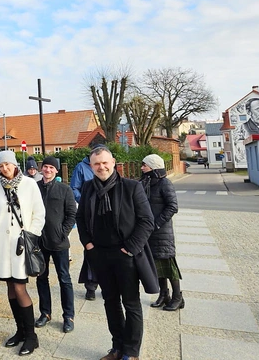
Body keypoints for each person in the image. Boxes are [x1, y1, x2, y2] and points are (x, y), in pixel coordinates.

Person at [75, 147, 156, 360]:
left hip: (126, 255)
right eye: (96, 164)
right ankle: (117, 347)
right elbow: (81, 218)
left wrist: (130, 248)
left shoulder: (131, 187)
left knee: (131, 303)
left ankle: (131, 352)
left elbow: (147, 221)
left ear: (113, 162)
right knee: (110, 302)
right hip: (100, 255)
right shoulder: (88, 187)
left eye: (104, 162)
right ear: (91, 166)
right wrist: (88, 244)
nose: (101, 167)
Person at [0, 150, 45, 356]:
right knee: (10, 287)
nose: (4, 169)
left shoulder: (29, 185)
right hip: (0, 246)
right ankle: (20, 331)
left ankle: (31, 336)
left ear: (15, 164)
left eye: (7, 165)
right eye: (0, 166)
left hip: (20, 245)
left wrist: (31, 235)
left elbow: (39, 214)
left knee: (19, 288)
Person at [35, 156, 77, 333]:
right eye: (45, 167)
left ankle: (68, 316)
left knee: (64, 279)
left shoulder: (64, 189)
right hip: (39, 241)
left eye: (52, 167)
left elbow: (71, 214)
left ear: (57, 170)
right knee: (41, 278)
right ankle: (45, 313)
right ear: (41, 169)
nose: (48, 170)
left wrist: (63, 232)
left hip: (59, 242)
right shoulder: (35, 188)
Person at [141, 154, 184, 312]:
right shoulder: (146, 183)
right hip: (150, 232)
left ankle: (177, 297)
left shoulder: (165, 183)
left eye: (145, 165)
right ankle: (164, 295)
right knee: (156, 265)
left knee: (168, 264)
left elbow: (173, 206)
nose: (142, 168)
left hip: (162, 231)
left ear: (153, 167)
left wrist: (157, 223)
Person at [70, 147, 102, 301]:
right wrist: (83, 201)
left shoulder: (106, 167)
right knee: (91, 251)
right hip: (90, 214)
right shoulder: (81, 167)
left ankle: (108, 284)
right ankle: (91, 287)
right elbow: (74, 187)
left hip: (107, 214)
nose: (100, 165)